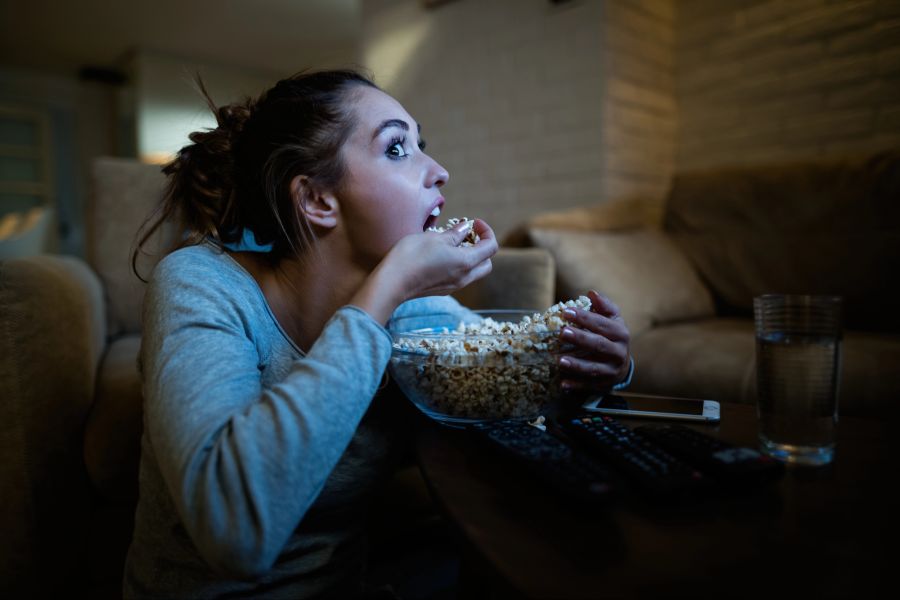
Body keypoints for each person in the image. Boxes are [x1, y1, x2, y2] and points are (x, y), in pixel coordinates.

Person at [124, 69, 632, 599]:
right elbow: (233, 531)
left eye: (422, 146)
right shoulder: (199, 284)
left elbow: (522, 370)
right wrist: (384, 292)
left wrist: (605, 362)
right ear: (318, 200)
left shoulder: (411, 308)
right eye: (396, 149)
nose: (439, 172)